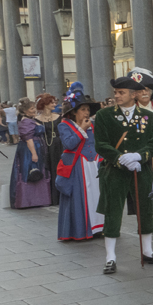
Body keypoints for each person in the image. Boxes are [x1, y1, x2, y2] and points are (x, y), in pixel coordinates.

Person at [94, 71, 153, 274]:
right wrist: (119, 158)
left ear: (134, 94)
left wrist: (139, 157)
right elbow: (100, 144)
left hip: (140, 170)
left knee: (146, 210)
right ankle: (110, 257)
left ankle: (148, 252)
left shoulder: (148, 117)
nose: (117, 96)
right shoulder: (104, 115)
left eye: (122, 92)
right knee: (112, 211)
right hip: (114, 172)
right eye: (116, 92)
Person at [56, 90, 104, 241]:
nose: (86, 112)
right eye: (83, 109)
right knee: (80, 197)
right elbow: (69, 144)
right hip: (78, 167)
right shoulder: (64, 126)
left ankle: (99, 228)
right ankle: (81, 230)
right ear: (74, 112)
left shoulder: (94, 125)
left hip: (94, 165)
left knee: (97, 196)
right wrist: (82, 129)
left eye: (88, 109)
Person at [10, 98, 53, 209]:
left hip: (37, 146)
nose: (34, 110)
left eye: (34, 108)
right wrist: (34, 153)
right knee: (30, 170)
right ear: (25, 111)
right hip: (30, 149)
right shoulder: (26, 122)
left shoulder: (31, 120)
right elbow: (28, 139)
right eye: (31, 108)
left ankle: (38, 199)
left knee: (36, 170)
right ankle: (28, 200)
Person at [35, 94, 62, 206]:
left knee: (57, 169)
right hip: (43, 145)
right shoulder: (35, 119)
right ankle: (47, 196)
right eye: (52, 103)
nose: (54, 105)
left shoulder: (58, 117)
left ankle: (58, 197)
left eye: (54, 102)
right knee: (46, 169)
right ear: (45, 104)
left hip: (57, 145)